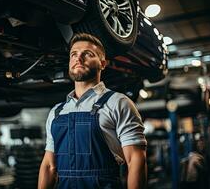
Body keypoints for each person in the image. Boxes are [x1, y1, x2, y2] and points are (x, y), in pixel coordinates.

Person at [38, 33, 147, 189]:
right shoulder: (56, 112)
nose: (78, 58)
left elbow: (136, 160)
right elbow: (49, 166)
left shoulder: (118, 103)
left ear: (103, 64)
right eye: (73, 54)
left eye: (87, 54)